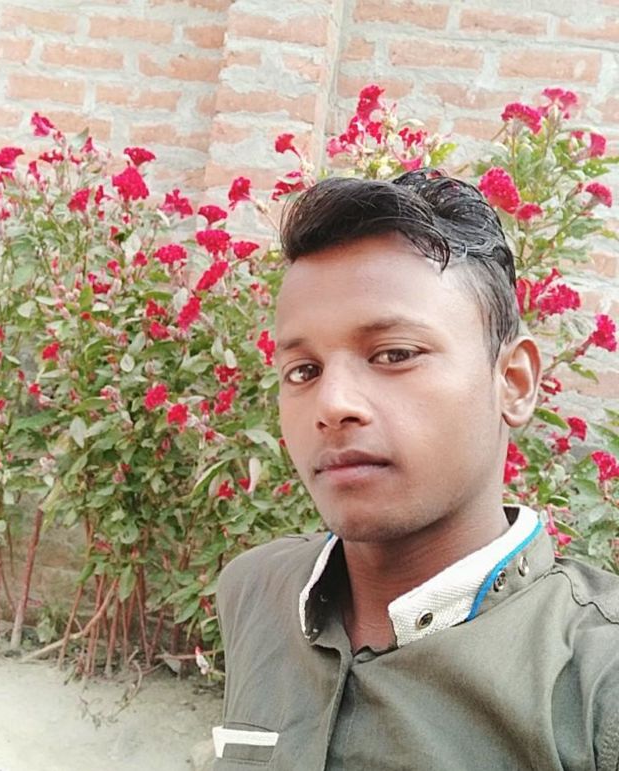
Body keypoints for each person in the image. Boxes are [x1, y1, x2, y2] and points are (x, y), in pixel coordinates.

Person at [212, 171, 619, 770]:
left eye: (395, 355)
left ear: (513, 382)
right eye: (303, 371)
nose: (332, 404)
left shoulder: (596, 684)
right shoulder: (253, 590)